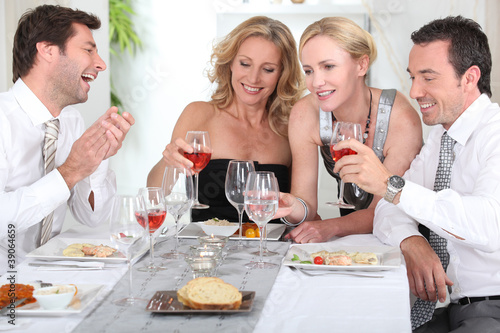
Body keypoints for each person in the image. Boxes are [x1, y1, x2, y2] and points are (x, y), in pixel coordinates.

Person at [334, 16, 500, 332]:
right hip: (443, 308)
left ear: (469, 78)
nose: (413, 91)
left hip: (490, 307)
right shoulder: (441, 137)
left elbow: (489, 226)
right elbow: (388, 208)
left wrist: (389, 184)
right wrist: (412, 241)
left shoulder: (495, 134)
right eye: (412, 77)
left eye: (428, 78)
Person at [0, 5, 135, 271]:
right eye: (88, 50)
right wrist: (69, 172)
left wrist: (96, 159)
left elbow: (92, 218)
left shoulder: (72, 121)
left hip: (54, 278)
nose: (101, 64)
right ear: (48, 50)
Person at [277, 17, 422, 243]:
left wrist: (329, 227)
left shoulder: (399, 116)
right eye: (308, 70)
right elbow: (306, 203)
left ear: (361, 65)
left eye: (328, 67)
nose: (316, 82)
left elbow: (387, 208)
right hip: (351, 235)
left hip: (403, 235)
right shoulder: (304, 113)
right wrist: (291, 206)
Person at [147, 16, 303, 222]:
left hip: (271, 247)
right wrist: (168, 162)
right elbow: (154, 194)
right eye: (245, 64)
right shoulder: (199, 114)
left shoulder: (290, 127)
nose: (253, 78)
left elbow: (300, 209)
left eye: (268, 69)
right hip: (207, 249)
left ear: (282, 73)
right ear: (230, 63)